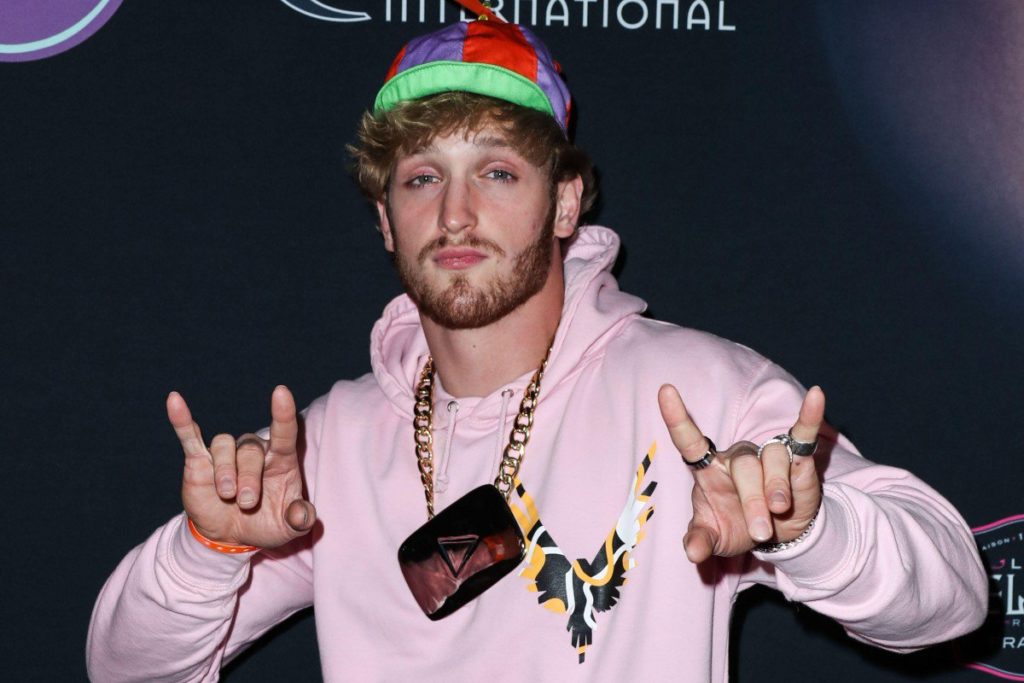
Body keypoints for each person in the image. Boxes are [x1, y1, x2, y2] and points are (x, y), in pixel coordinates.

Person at [87, 5, 987, 681]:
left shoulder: (693, 392)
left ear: (564, 204)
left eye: (497, 172)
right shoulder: (328, 444)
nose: (456, 213)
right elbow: (126, 671)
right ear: (385, 220)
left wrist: (813, 530)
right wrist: (207, 552)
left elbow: (952, 599)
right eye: (422, 178)